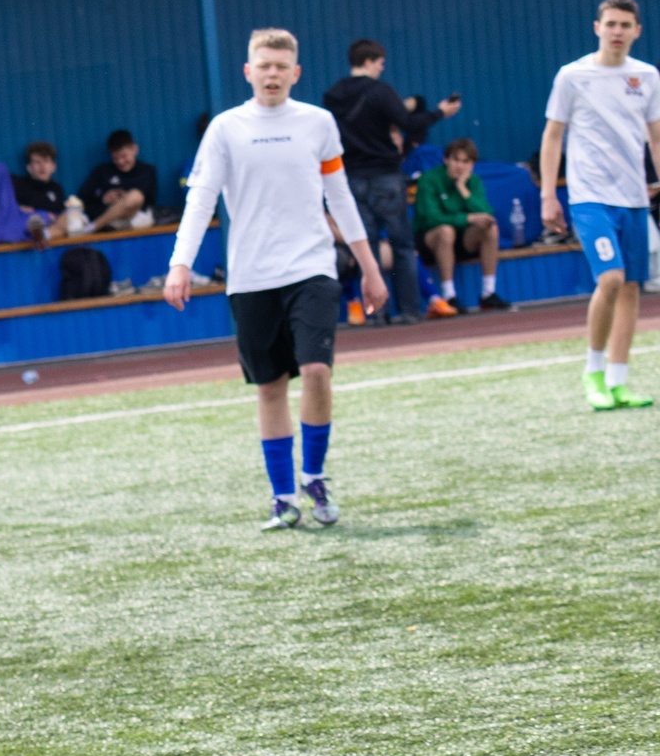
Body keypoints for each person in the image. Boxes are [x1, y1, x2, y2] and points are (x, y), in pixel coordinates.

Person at [165, 28, 386, 529]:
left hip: (312, 268)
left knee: (317, 371)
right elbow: (200, 199)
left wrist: (369, 267)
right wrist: (180, 263)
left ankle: (315, 476)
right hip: (250, 276)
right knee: (269, 387)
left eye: (281, 66)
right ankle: (283, 497)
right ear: (248, 71)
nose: (272, 74)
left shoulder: (318, 123)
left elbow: (340, 196)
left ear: (296, 73)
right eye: (263, 65)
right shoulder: (225, 128)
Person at [542, 0, 660, 410]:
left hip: (634, 197)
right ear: (597, 27)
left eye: (625, 25)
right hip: (590, 196)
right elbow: (553, 136)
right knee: (610, 279)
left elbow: (656, 136)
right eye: (610, 24)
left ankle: (618, 379)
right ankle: (592, 371)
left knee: (631, 287)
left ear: (637, 31)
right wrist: (547, 195)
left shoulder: (647, 76)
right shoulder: (572, 76)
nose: (617, 31)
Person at [324, 40, 462, 325]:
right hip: (386, 175)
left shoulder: (332, 96)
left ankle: (378, 313)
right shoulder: (380, 91)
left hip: (352, 176)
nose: (382, 68)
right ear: (370, 61)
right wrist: (440, 112)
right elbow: (409, 124)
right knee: (402, 246)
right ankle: (410, 310)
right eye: (380, 62)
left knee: (367, 245)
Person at [415, 139, 505, 316]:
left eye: (466, 161)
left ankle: (488, 293)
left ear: (472, 165)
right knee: (446, 231)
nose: (460, 166)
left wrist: (463, 190)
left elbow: (486, 214)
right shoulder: (429, 180)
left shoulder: (473, 181)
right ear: (446, 159)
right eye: (456, 160)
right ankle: (449, 296)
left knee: (490, 228)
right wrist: (468, 218)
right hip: (430, 242)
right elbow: (432, 219)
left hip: (463, 241)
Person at [79, 130, 159, 233]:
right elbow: (82, 198)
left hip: (136, 218)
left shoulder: (147, 171)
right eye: (115, 158)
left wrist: (124, 198)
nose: (120, 162)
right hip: (108, 219)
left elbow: (147, 199)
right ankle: (98, 225)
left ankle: (93, 227)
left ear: (135, 149)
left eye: (124, 156)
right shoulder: (102, 171)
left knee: (135, 196)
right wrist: (103, 198)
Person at [13, 142, 67, 229]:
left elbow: (60, 214)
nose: (42, 167)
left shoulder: (57, 188)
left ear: (53, 167)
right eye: (37, 162)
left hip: (53, 229)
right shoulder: (19, 184)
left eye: (46, 161)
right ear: (29, 168)